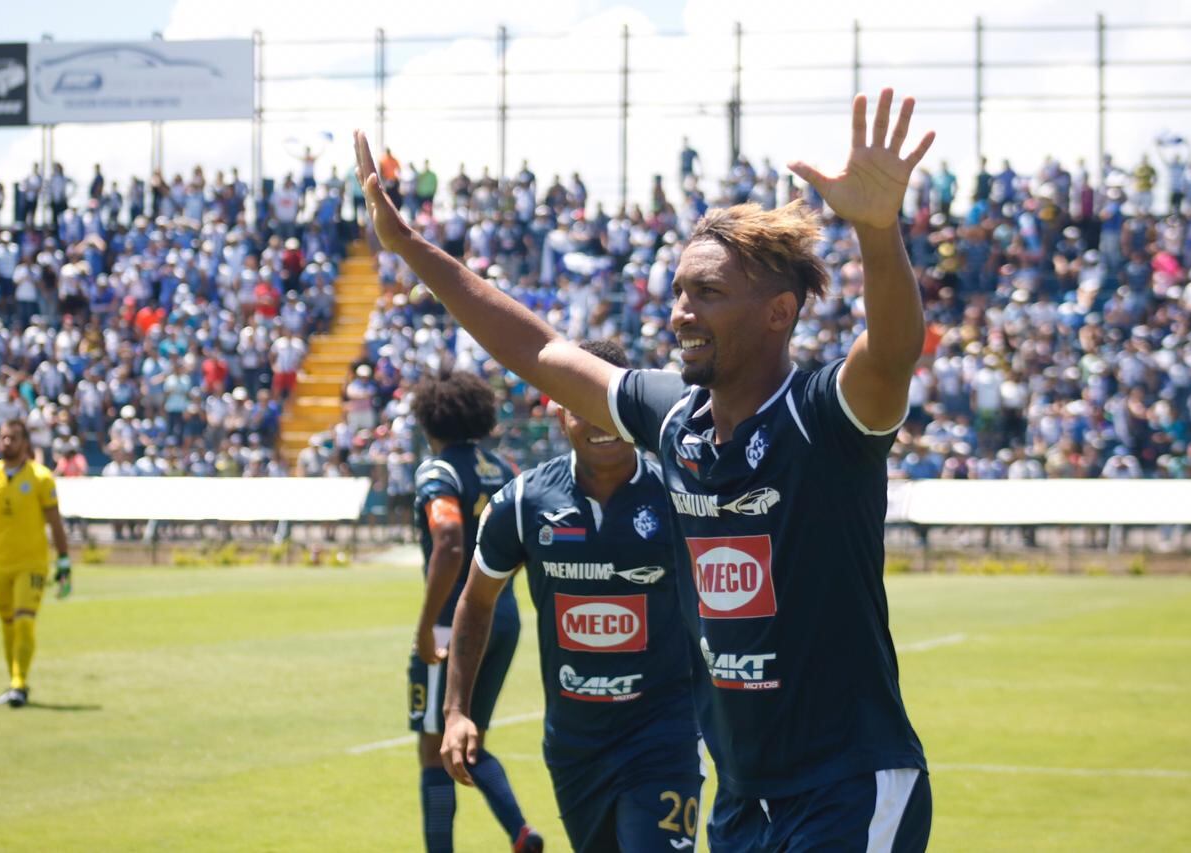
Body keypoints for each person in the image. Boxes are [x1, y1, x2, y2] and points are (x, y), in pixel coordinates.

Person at [354, 87, 934, 850]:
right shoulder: (673, 420)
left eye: (708, 293)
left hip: (848, 787)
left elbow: (891, 352)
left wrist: (878, 232)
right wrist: (408, 248)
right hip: (742, 800)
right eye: (679, 291)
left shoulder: (824, 417)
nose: (680, 312)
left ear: (779, 312)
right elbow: (539, 349)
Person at [442, 340, 702, 852]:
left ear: (632, 410)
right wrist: (456, 711)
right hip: (574, 744)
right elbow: (476, 600)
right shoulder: (523, 504)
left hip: (664, 734)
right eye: (581, 405)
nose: (598, 420)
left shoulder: (679, 497)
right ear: (558, 411)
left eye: (608, 404)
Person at [408, 371, 541, 853]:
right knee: (469, 739)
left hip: (453, 625)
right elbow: (527, 540)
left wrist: (428, 626)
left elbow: (448, 541)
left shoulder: (438, 471)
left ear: (428, 418)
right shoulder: (504, 468)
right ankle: (521, 833)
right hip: (502, 616)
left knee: (434, 748)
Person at [0, 420, 72, 708]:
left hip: (32, 563)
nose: (6, 442)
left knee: (24, 620)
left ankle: (19, 684)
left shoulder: (41, 477)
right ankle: (14, 680)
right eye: (3, 437)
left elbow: (55, 522)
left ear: (25, 443)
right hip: (1, 563)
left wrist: (64, 560)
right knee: (8, 624)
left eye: (12, 438)